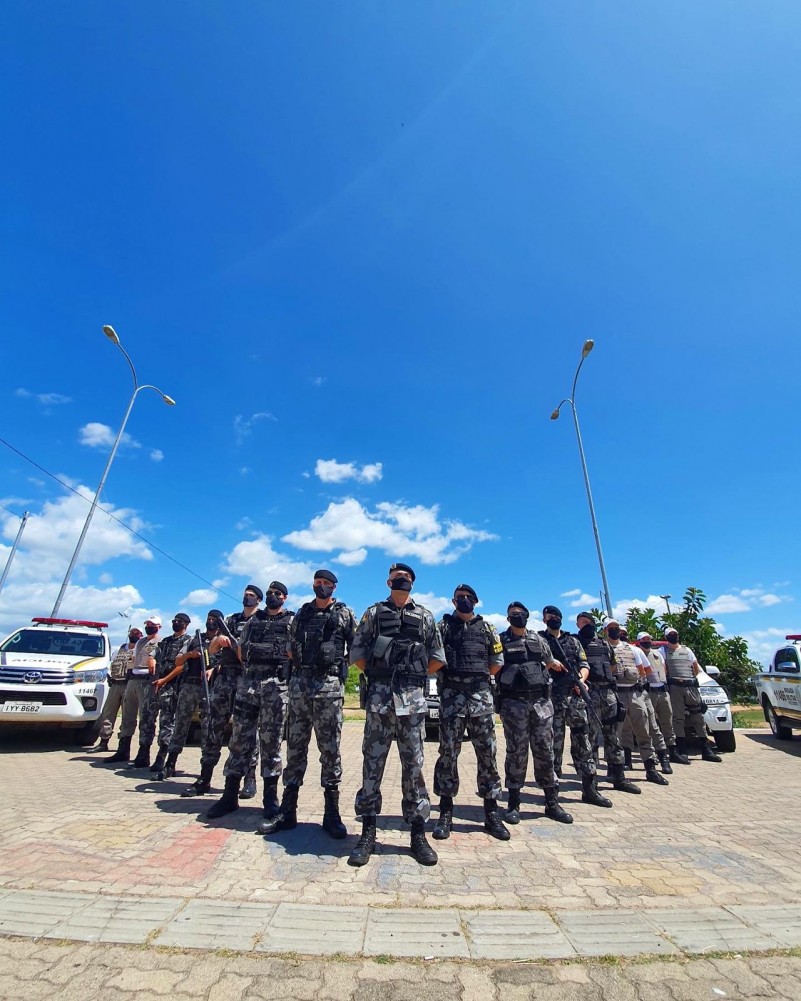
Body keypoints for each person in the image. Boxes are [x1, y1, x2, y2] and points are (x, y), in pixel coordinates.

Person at [348, 562, 445, 867]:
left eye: (405, 578)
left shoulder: (426, 616)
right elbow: (357, 652)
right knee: (372, 768)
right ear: (388, 582)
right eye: (395, 578)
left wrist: (412, 675)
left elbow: (437, 657)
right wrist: (380, 674)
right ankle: (367, 834)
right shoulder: (374, 613)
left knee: (414, 769)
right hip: (380, 702)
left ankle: (418, 834)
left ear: (412, 583)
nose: (400, 582)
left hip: (413, 703)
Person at [260, 572, 356, 839]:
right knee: (295, 749)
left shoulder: (345, 614)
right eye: (318, 583)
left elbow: (357, 646)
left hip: (328, 688)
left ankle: (331, 814)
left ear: (334, 587)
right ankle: (288, 812)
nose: (321, 587)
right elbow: (291, 646)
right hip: (300, 688)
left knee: (330, 751)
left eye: (326, 584)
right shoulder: (302, 613)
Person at [206, 582, 294, 820]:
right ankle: (229, 796)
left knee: (271, 742)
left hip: (276, 687)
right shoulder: (253, 622)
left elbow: (296, 652)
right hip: (248, 686)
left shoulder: (291, 622)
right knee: (239, 740)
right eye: (270, 593)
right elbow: (241, 652)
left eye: (277, 594)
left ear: (284, 598)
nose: (273, 596)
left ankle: (270, 799)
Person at [431, 584, 509, 842]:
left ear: (476, 601)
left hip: (480, 697)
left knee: (487, 754)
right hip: (452, 697)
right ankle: (445, 812)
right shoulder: (442, 628)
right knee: (447, 754)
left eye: (468, 598)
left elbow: (497, 662)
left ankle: (491, 813)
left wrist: (479, 679)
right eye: (459, 598)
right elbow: (434, 657)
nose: (464, 601)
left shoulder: (488, 629)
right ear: (453, 602)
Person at [181, 587, 262, 800]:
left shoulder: (261, 621)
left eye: (251, 595)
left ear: (259, 600)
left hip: (248, 679)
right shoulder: (231, 620)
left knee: (248, 732)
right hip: (225, 678)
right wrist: (220, 641)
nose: (247, 597)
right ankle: (204, 778)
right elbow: (212, 650)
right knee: (212, 728)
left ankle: (249, 779)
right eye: (245, 594)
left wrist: (239, 649)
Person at [497, 602, 574, 825]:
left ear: (528, 616)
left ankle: (551, 802)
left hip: (541, 703)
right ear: (507, 618)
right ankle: (513, 803)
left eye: (520, 614)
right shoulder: (501, 641)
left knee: (545, 751)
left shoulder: (539, 640)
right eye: (513, 614)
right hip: (514, 704)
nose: (517, 617)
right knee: (516, 752)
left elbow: (550, 662)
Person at [538, 605, 612, 809]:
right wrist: (550, 664)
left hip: (575, 699)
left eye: (556, 616)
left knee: (584, 744)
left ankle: (590, 789)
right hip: (551, 700)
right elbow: (535, 665)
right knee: (553, 748)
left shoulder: (573, 641)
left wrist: (580, 679)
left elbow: (584, 665)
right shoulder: (539, 640)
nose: (554, 619)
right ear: (544, 620)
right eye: (550, 617)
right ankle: (551, 795)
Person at [574, 612, 640, 795]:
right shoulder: (575, 643)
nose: (587, 625)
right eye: (583, 622)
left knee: (613, 737)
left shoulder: (604, 644)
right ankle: (591, 782)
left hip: (609, 693)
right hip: (590, 693)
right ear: (577, 624)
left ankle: (618, 777)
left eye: (590, 622)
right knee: (591, 739)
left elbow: (612, 665)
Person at [155, 611, 222, 780]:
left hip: (210, 687)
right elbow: (178, 661)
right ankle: (170, 764)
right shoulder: (193, 639)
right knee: (180, 725)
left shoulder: (221, 641)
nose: (211, 622)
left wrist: (213, 669)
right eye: (208, 619)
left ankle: (204, 773)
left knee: (208, 729)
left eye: (214, 620)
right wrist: (189, 655)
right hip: (189, 685)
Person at [603, 620, 668, 787]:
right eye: (611, 629)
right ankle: (614, 769)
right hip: (615, 694)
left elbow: (644, 669)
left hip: (634, 693)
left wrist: (631, 675)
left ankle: (651, 769)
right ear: (605, 631)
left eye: (617, 628)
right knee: (615, 734)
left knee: (643, 731)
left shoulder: (633, 649)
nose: (615, 631)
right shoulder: (603, 648)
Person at [105, 616, 162, 765]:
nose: (149, 626)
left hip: (147, 681)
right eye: (148, 624)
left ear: (159, 627)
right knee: (127, 716)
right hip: (133, 679)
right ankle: (123, 750)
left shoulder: (161, 642)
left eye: (152, 625)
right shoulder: (140, 642)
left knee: (146, 717)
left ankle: (143, 754)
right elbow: (133, 660)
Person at [663, 627, 722, 762]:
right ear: (667, 637)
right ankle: (682, 750)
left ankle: (706, 750)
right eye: (671, 634)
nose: (674, 636)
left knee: (698, 716)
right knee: (678, 719)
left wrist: (691, 679)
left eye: (675, 634)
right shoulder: (663, 651)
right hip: (675, 686)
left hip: (690, 685)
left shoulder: (687, 650)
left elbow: (695, 667)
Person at [636, 631, 689, 765]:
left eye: (648, 639)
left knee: (668, 722)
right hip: (648, 692)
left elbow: (664, 669)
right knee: (650, 724)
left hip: (662, 691)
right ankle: (654, 754)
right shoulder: (638, 653)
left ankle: (672, 751)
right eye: (644, 639)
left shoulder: (657, 653)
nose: (646, 641)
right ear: (639, 641)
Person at [149, 613, 192, 775]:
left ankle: (163, 756)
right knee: (148, 718)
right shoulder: (166, 641)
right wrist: (151, 659)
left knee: (167, 722)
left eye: (179, 622)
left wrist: (165, 680)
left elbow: (181, 665)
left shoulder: (188, 641)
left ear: (186, 624)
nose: (176, 623)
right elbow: (153, 654)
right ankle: (144, 752)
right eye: (174, 621)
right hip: (158, 683)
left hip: (173, 685)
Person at [90, 626, 141, 752]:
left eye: (137, 633)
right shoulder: (120, 649)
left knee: (127, 716)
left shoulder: (140, 649)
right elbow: (110, 664)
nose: (134, 634)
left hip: (128, 685)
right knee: (108, 714)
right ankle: (103, 742)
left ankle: (123, 745)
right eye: (132, 632)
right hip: (115, 684)